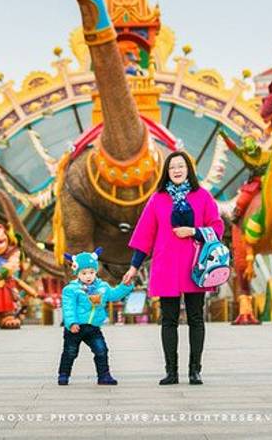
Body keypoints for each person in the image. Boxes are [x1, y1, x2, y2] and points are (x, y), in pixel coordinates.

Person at [123, 150, 225, 385]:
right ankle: (171, 371)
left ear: (189, 169)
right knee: (168, 320)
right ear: (166, 172)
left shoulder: (203, 196)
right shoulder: (157, 199)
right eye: (172, 167)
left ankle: (195, 371)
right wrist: (133, 267)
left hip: (196, 266)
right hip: (166, 266)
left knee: (196, 318)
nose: (177, 170)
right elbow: (145, 235)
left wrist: (194, 231)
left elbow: (217, 228)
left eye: (181, 166)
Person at [58, 248, 133, 386]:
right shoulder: (71, 289)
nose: (88, 276)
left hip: (93, 327)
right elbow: (68, 307)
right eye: (84, 273)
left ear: (96, 272)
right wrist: (72, 323)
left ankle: (104, 376)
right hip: (76, 327)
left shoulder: (102, 287)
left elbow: (114, 295)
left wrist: (125, 286)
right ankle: (63, 374)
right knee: (70, 352)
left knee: (101, 350)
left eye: (91, 272)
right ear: (77, 273)